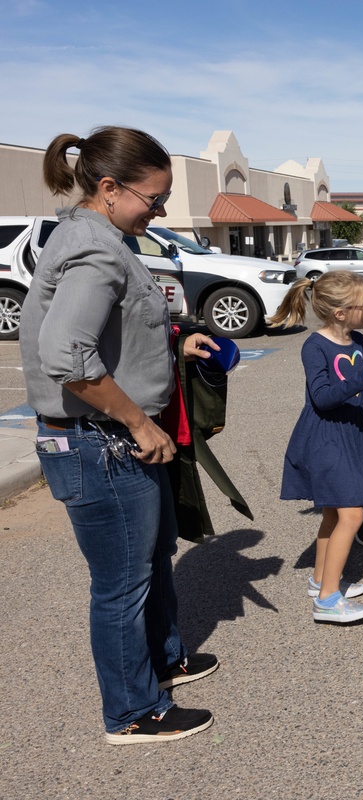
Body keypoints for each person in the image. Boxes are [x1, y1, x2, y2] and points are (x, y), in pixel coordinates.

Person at [21, 126, 220, 745]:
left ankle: (164, 660)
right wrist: (137, 419)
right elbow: (67, 354)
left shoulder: (103, 236)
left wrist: (174, 341)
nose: (159, 211)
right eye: (153, 199)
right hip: (100, 442)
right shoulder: (95, 248)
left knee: (151, 558)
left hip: (113, 439)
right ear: (109, 188)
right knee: (121, 586)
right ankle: (132, 712)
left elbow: (111, 329)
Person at [270, 271, 363, 623]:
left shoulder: (356, 341)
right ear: (340, 312)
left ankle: (323, 580)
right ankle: (327, 602)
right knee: (352, 514)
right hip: (326, 439)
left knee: (332, 514)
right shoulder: (315, 346)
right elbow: (323, 398)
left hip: (351, 435)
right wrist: (360, 378)